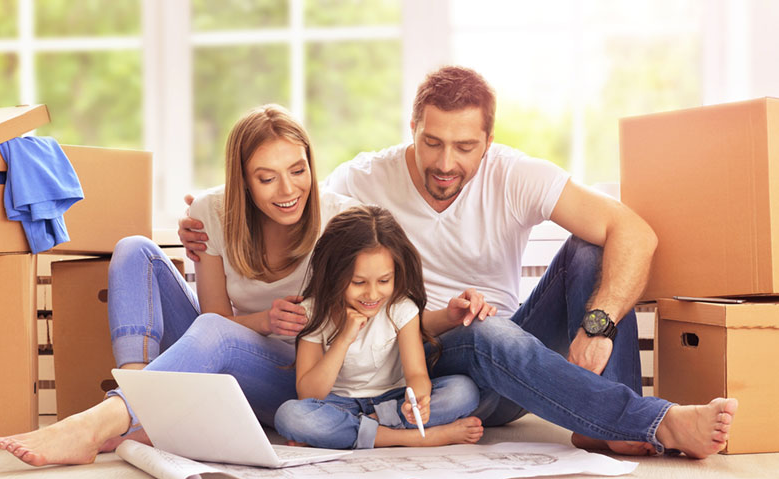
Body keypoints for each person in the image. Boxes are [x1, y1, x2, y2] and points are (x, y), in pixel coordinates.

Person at [179, 66, 737, 458]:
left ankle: (608, 426)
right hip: (427, 353)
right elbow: (289, 197)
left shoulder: (517, 174)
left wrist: (598, 325)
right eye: (432, 143)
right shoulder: (364, 179)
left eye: (465, 147)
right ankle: (653, 421)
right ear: (412, 131)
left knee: (592, 247)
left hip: (514, 358)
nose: (446, 163)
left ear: (489, 141)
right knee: (486, 331)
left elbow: (633, 233)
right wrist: (213, 214)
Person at [0, 104, 364, 466]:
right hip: (220, 352)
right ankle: (138, 404)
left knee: (214, 331)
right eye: (267, 178)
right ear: (244, 181)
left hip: (295, 379)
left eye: (298, 170)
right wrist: (264, 320)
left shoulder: (342, 219)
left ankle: (96, 423)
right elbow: (214, 315)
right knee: (134, 249)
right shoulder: (213, 212)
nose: (287, 190)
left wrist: (267, 325)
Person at [274, 205, 483, 449]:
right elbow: (309, 394)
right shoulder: (312, 312)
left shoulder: (400, 308)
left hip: (392, 400)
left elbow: (416, 374)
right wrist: (344, 338)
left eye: (384, 281)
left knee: (463, 391)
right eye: (358, 282)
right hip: (339, 403)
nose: (372, 294)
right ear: (334, 274)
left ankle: (351, 432)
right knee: (290, 415)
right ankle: (413, 438)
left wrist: (419, 400)